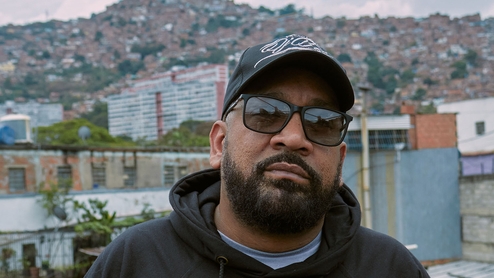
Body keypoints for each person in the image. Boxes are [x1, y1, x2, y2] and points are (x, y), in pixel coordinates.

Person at [85, 34, 430, 277]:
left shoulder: (391, 267)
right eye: (265, 112)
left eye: (322, 122)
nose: (294, 138)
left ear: (340, 161)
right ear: (219, 143)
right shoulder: (136, 261)